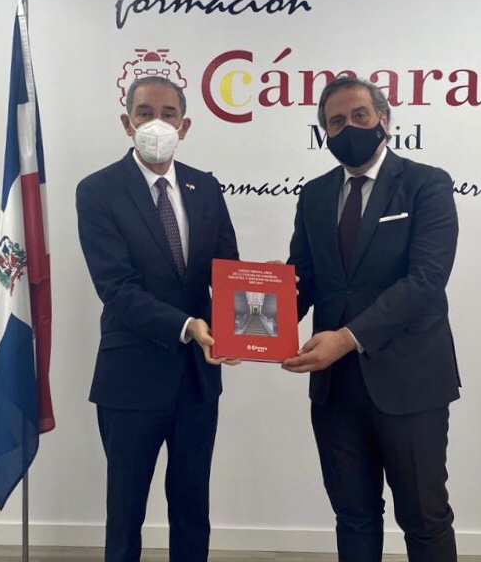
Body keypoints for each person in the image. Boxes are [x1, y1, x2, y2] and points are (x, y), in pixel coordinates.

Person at [283, 76, 461, 562]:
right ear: (325, 132)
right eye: (335, 122)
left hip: (411, 384)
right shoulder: (314, 195)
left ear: (384, 119)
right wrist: (251, 326)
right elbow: (303, 279)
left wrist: (346, 337)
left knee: (424, 519)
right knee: (354, 517)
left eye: (359, 116)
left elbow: (425, 281)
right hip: (336, 389)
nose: (348, 128)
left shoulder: (427, 184)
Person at [76, 76, 239, 562]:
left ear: (184, 126)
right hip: (131, 379)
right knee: (125, 512)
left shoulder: (205, 187)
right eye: (145, 113)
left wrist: (257, 292)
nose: (157, 123)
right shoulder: (98, 190)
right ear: (127, 122)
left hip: (197, 380)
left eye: (169, 114)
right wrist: (187, 327)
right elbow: (116, 287)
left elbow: (226, 270)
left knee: (192, 507)